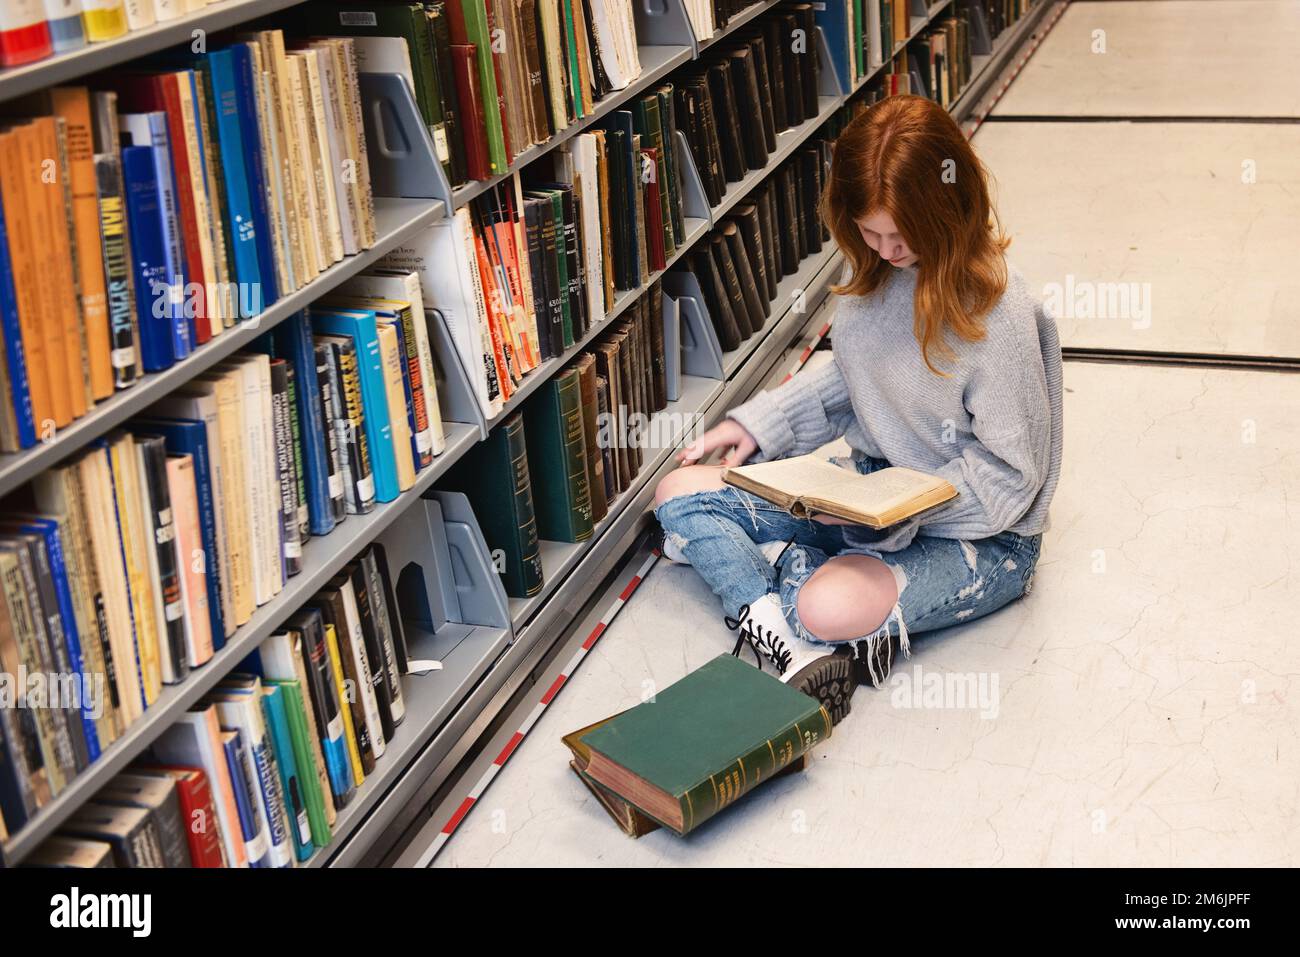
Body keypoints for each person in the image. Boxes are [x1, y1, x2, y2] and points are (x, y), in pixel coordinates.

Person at [652, 95, 1063, 724]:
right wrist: (760, 424)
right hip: (867, 502)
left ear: (949, 208)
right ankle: (787, 642)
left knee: (829, 607)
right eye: (870, 232)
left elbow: (1011, 478)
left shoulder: (998, 315)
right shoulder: (874, 276)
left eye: (904, 233)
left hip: (981, 534)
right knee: (679, 492)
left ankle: (783, 586)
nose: (888, 249)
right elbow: (854, 379)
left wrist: (904, 513)